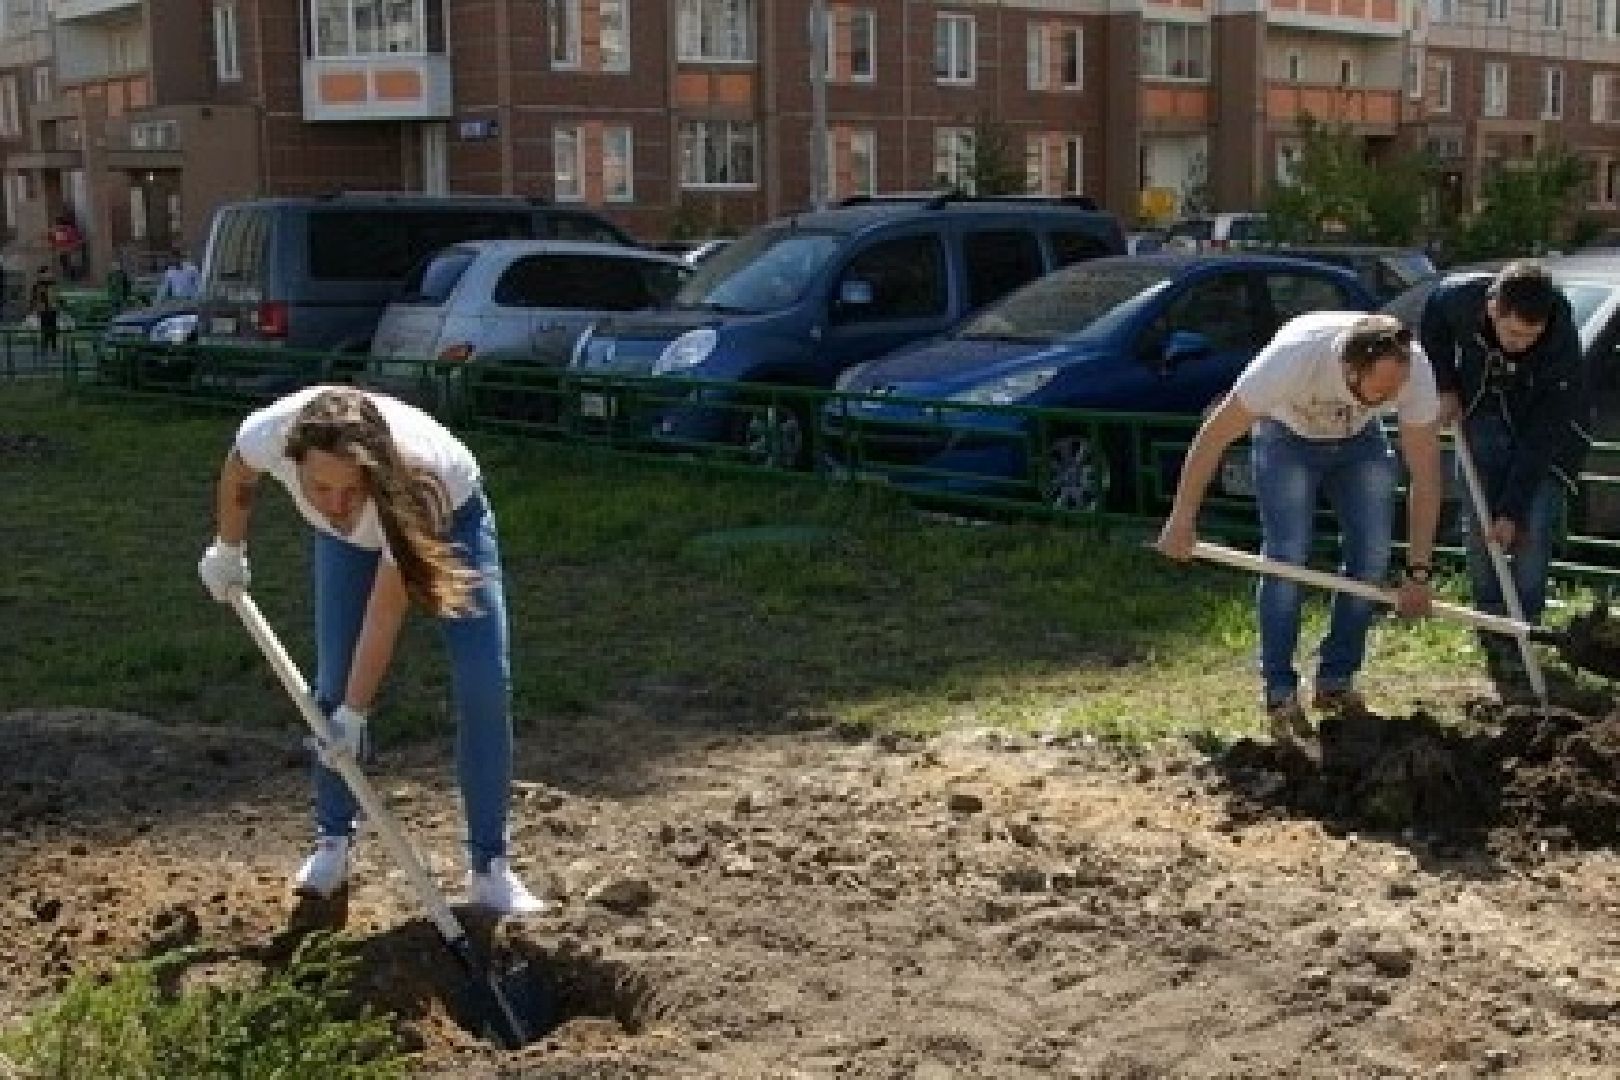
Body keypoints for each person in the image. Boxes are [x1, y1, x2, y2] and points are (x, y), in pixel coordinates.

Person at [197, 385, 544, 915]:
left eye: (350, 491)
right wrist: (228, 549)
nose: (335, 505)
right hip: (346, 547)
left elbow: (385, 614)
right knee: (331, 686)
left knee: (483, 684)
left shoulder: (419, 483)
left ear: (373, 476)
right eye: (321, 488)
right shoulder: (271, 433)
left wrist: (357, 716)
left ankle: (490, 868)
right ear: (296, 463)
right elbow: (238, 475)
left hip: (451, 521)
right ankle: (332, 840)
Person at [1157, 311, 1444, 742]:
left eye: (1397, 388)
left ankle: (1336, 680)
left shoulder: (1413, 369)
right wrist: (1181, 519)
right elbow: (1213, 436)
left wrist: (1419, 573)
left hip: (1360, 441)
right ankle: (1279, 689)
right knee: (1286, 556)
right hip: (1286, 435)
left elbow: (1426, 478)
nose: (1393, 396)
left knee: (1371, 557)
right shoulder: (1291, 360)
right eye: (1382, 389)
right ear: (1349, 369)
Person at [1420, 261, 1587, 694]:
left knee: (1530, 523)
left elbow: (1544, 435)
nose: (1519, 345)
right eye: (1512, 334)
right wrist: (1445, 384)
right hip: (1481, 409)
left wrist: (1512, 509)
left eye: (1530, 337)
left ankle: (1525, 625)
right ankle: (1491, 625)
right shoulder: (1458, 298)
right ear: (1492, 308)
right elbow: (1432, 319)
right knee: (1481, 525)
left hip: (1542, 430)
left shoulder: (1560, 341)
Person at [28, 266, 59, 357]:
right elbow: (34, 298)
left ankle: (53, 346)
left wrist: (58, 304)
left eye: (47, 273)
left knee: (53, 327)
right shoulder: (37, 285)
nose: (47, 275)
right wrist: (33, 307)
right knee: (44, 327)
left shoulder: (52, 284)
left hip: (52, 309)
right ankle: (45, 346)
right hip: (43, 309)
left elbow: (57, 295)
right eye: (44, 273)